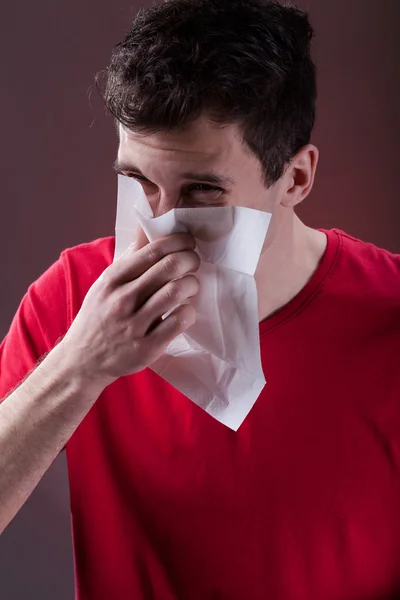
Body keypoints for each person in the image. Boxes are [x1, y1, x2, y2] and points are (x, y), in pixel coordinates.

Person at [1, 0, 399, 598]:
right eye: (139, 182)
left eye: (202, 190)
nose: (157, 226)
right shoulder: (75, 300)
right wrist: (81, 363)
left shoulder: (389, 314)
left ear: (295, 179)